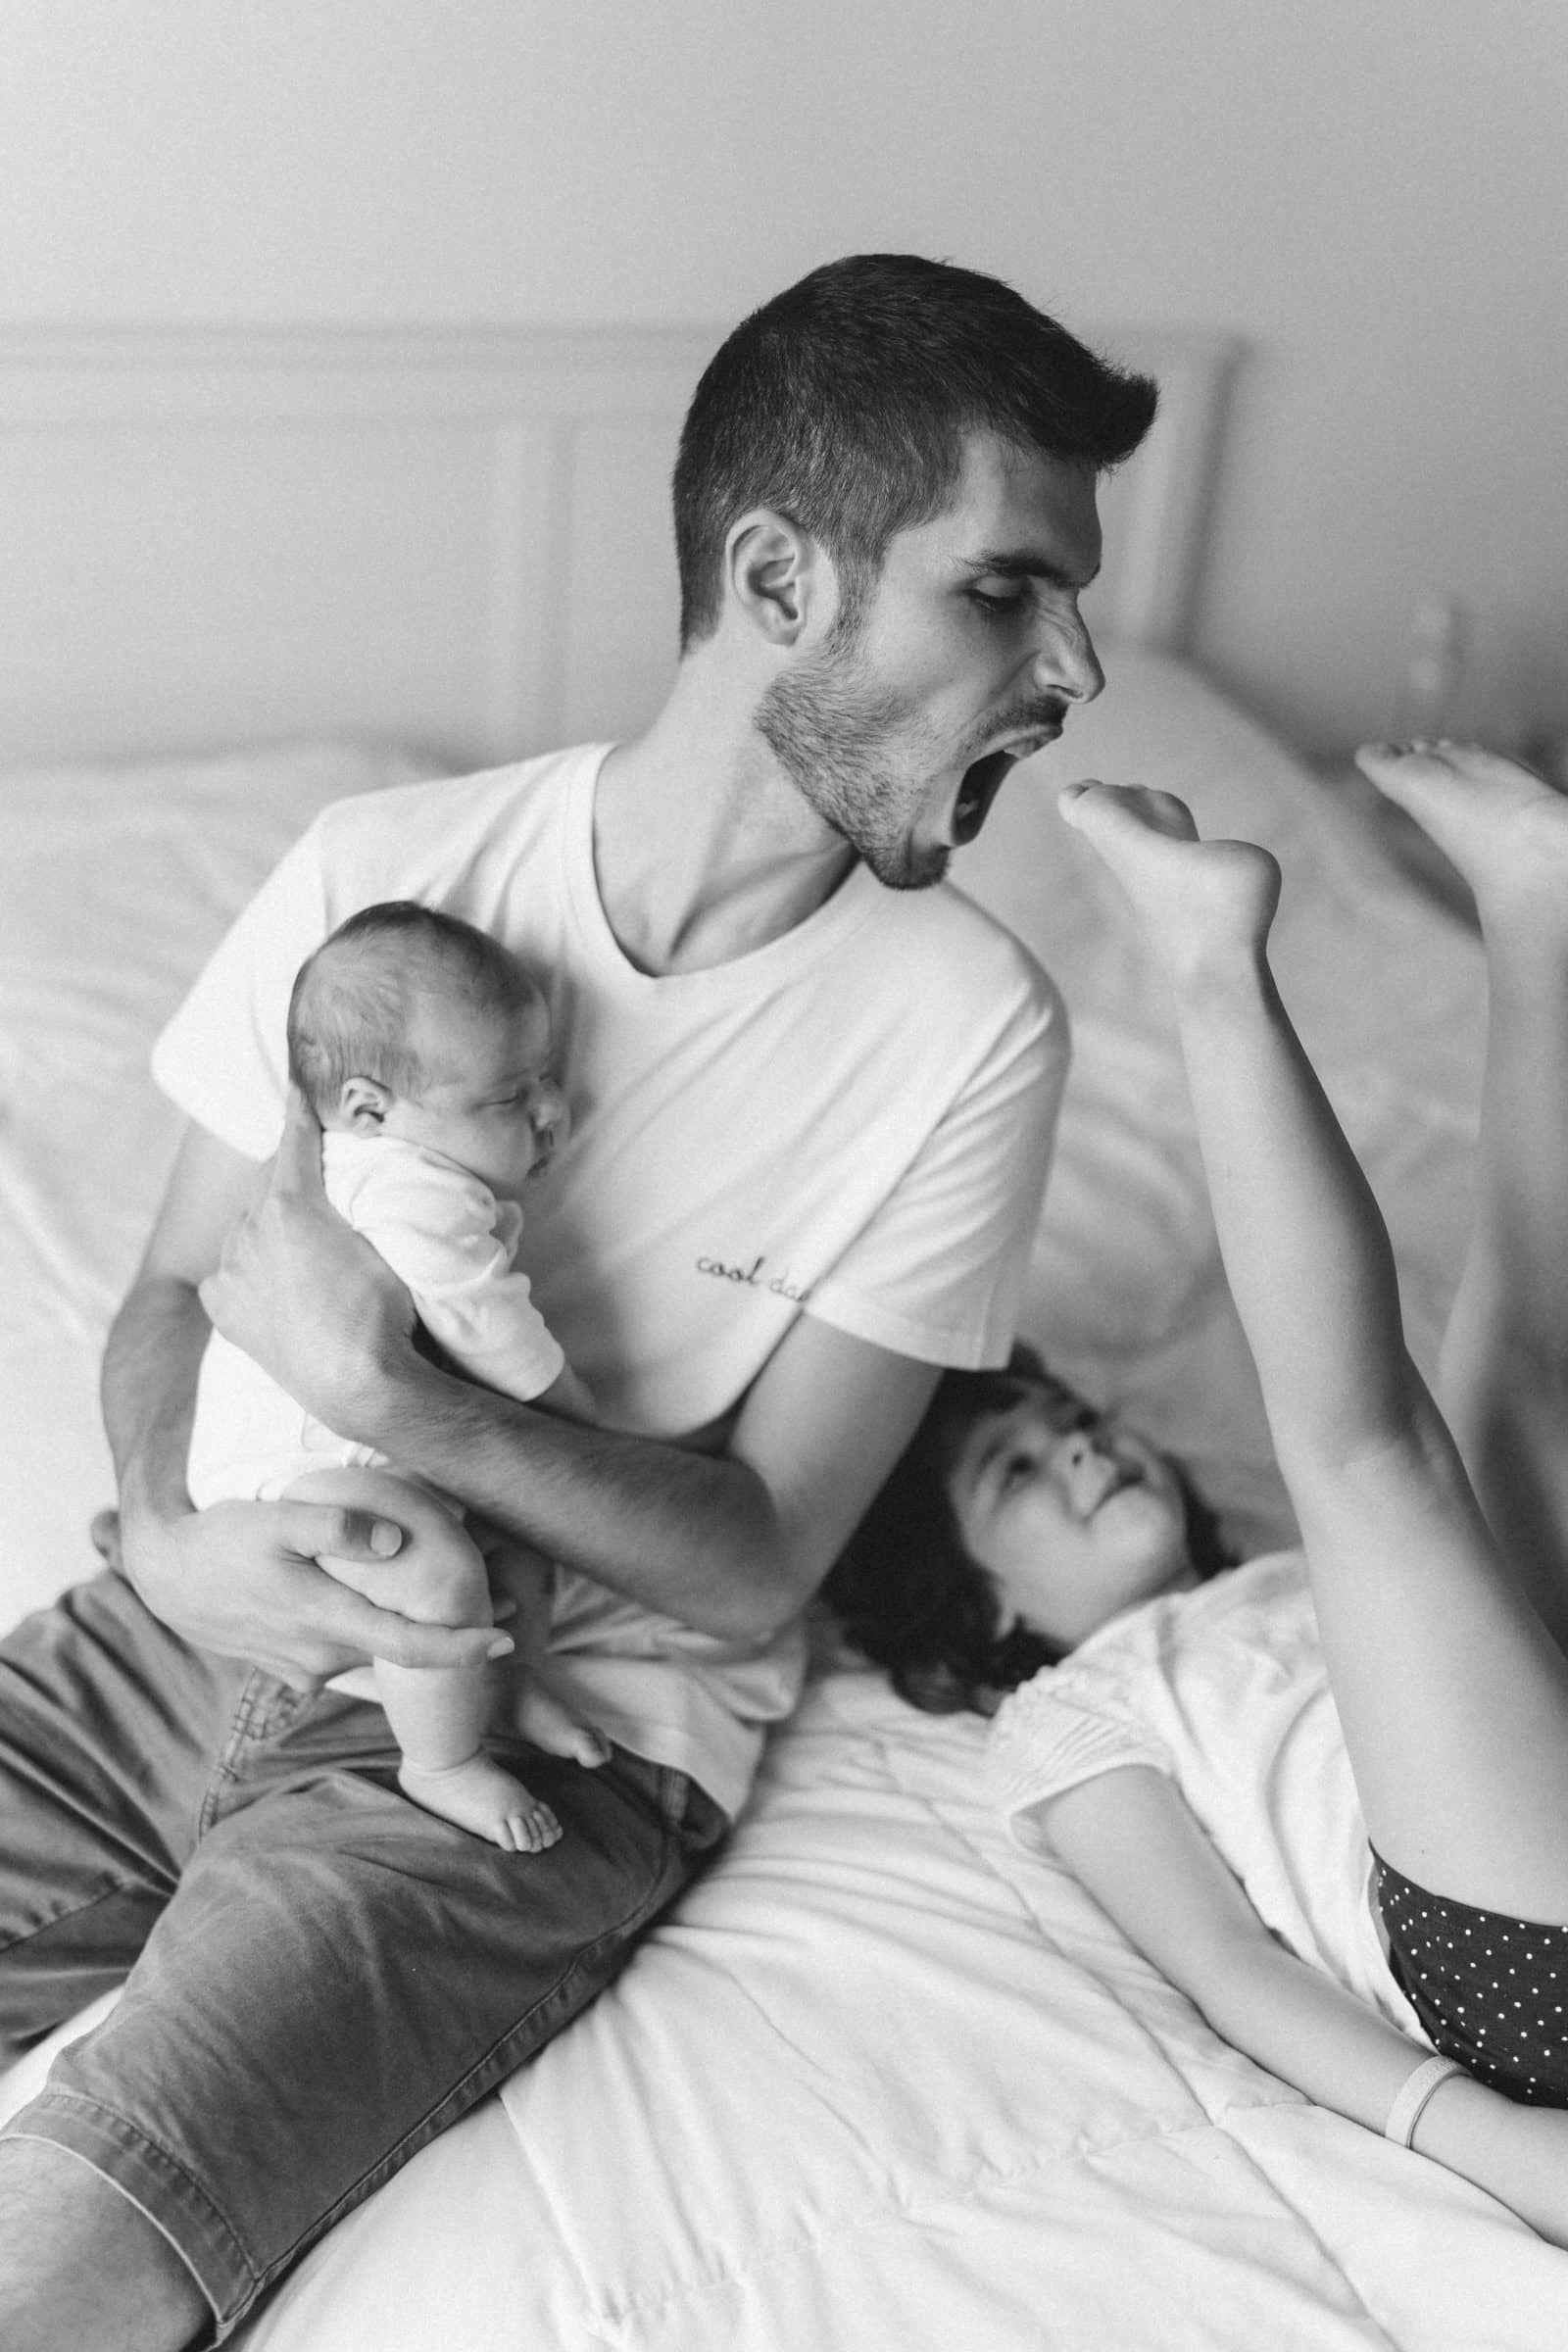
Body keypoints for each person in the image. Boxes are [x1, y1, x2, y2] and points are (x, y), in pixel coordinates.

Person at [0, 253, 1156, 2349]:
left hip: (552, 1735)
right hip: (183, 1623)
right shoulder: (385, 866)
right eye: (1003, 591)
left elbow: (752, 1568)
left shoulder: (969, 1032)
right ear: (775, 575)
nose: (1074, 663)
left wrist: (418, 1408)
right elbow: (169, 1290)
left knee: (64, 2258)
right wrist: (170, 1537)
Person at [828, 741, 1568, 2248]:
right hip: (1526, 1966)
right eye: (1021, 1472)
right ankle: (1213, 957)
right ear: (983, 1605)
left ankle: (1537, 908)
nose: (1087, 1448)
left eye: (1074, 1422)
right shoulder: (1072, 1720)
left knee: (1519, 1383)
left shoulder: (1278, 1584)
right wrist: (1489, 2148)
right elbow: (1229, 1971)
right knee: (1376, 1458)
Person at [188, 899, 610, 1855]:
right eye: (510, 1097)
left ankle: (511, 1683)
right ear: (370, 1109)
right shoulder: (411, 1195)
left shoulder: (386, 1167)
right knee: (434, 1560)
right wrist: (601, 1437)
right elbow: (504, 1348)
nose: (552, 1111)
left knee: (517, 1529)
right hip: (292, 1475)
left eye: (546, 1077)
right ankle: (442, 1762)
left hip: (368, 1448)